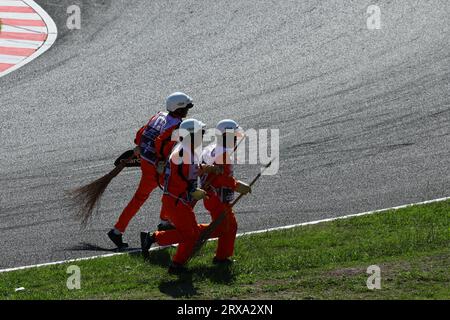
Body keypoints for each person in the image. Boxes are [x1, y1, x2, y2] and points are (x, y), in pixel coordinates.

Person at [107, 92, 194, 249]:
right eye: (186, 108)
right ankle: (164, 224)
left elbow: (140, 134)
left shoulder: (159, 116)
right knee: (171, 192)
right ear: (179, 109)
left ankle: (117, 230)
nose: (188, 111)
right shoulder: (177, 126)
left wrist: (140, 146)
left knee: (140, 197)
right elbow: (164, 145)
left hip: (146, 162)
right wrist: (161, 161)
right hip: (157, 167)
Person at [140, 118, 212, 274]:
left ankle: (152, 238)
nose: (204, 136)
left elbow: (190, 170)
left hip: (178, 200)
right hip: (176, 200)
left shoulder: (187, 150)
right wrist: (194, 190)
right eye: (201, 133)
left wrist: (205, 169)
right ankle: (176, 265)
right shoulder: (183, 152)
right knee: (190, 235)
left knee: (191, 232)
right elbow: (180, 178)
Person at [200, 119, 251, 264]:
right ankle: (163, 237)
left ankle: (222, 257)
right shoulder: (222, 155)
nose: (236, 140)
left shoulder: (212, 148)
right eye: (234, 137)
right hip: (216, 197)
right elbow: (219, 179)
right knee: (223, 227)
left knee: (229, 226)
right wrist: (237, 185)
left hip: (213, 196)